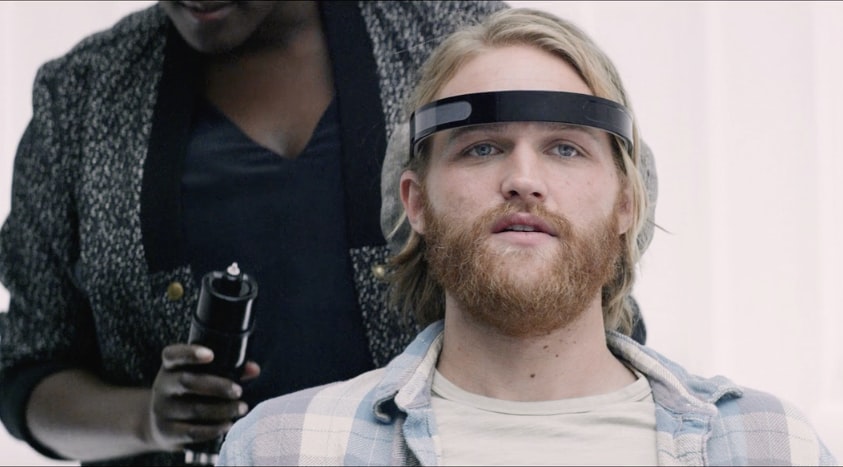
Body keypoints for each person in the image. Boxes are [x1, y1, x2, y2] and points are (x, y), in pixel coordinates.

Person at [216, 7, 835, 466]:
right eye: (482, 148)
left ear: (627, 202)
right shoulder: (285, 449)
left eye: (565, 149)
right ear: (416, 202)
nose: (523, 180)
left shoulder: (771, 446)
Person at [0, 2, 525, 465]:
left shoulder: (460, 41)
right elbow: (29, 368)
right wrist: (150, 421)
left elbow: (560, 294)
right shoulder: (82, 94)